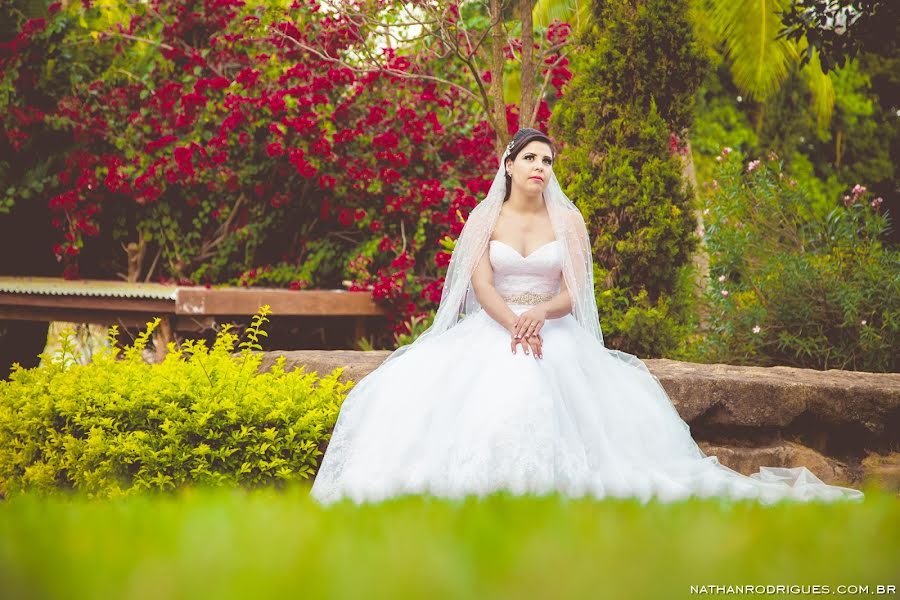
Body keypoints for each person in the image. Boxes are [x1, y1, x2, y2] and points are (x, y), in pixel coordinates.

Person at [309, 128, 865, 506]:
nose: (540, 167)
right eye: (530, 157)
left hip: (554, 328)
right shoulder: (486, 219)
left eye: (548, 160)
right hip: (496, 326)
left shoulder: (568, 223)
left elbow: (574, 290)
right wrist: (512, 323)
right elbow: (480, 282)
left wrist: (538, 317)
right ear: (508, 165)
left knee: (542, 380)